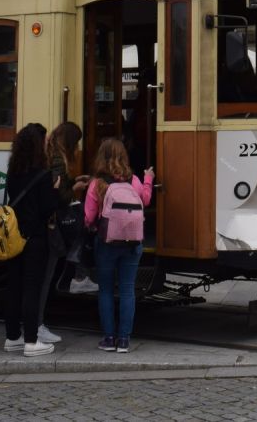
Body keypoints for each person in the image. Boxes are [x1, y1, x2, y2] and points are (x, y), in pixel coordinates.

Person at [83, 137, 153, 353]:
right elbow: (146, 200)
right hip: (132, 242)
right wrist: (148, 178)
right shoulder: (133, 181)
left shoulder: (97, 183)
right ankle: (124, 340)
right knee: (127, 289)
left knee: (105, 290)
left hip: (106, 243)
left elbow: (88, 217)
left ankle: (108, 338)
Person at [3, 124, 59, 357]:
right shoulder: (44, 175)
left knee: (13, 287)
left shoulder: (13, 172)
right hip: (35, 238)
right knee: (32, 288)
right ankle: (31, 341)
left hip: (14, 236)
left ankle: (12, 336)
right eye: (45, 141)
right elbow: (47, 209)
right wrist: (55, 190)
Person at [47, 122, 93, 298]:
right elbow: (58, 194)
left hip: (56, 212)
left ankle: (76, 275)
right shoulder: (58, 159)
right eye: (77, 142)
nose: (78, 146)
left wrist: (74, 181)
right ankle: (78, 277)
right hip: (59, 213)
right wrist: (75, 188)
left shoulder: (54, 153)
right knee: (84, 223)